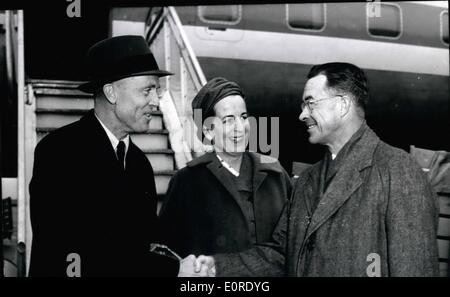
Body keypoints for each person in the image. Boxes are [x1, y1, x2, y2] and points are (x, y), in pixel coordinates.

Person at [189, 63, 440, 277]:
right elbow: (281, 252)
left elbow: (414, 268)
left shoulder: (400, 172)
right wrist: (217, 267)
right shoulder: (307, 181)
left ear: (342, 105)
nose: (302, 115)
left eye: (310, 104)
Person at [29, 35, 179, 276]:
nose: (156, 101)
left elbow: (143, 245)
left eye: (156, 91)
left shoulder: (140, 164)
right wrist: (174, 271)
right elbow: (72, 254)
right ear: (111, 93)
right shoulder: (59, 153)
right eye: (147, 90)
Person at [159, 77, 292, 275]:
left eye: (244, 117)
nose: (240, 127)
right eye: (228, 120)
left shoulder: (275, 173)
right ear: (208, 131)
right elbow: (168, 252)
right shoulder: (187, 182)